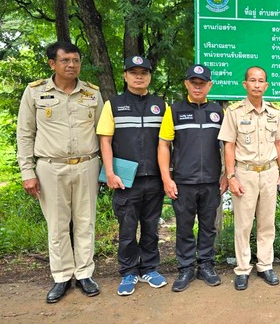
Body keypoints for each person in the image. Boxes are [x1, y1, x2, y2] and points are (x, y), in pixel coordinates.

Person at [17, 41, 104, 303]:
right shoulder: (35, 92)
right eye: (65, 60)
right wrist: (27, 172)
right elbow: (25, 133)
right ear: (52, 63)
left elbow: (103, 133)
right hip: (50, 167)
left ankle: (85, 273)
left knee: (85, 222)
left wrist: (106, 169)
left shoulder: (92, 93)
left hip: (87, 165)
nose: (71, 65)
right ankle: (62, 276)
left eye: (76, 60)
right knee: (57, 225)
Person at [97, 56, 168, 295]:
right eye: (134, 72)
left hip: (154, 178)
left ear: (150, 76)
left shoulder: (161, 105)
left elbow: (167, 143)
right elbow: (105, 141)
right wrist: (109, 173)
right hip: (125, 180)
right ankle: (128, 271)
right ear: (125, 76)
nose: (139, 77)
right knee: (127, 229)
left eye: (144, 72)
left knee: (151, 227)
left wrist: (167, 176)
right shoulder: (113, 105)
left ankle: (149, 268)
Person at [158, 64, 226, 292]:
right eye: (193, 83)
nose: (198, 87)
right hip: (183, 182)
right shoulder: (174, 110)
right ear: (187, 84)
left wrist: (227, 175)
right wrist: (167, 178)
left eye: (202, 83)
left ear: (209, 85)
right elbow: (164, 145)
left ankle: (206, 265)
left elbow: (227, 146)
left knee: (208, 227)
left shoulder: (218, 111)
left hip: (211, 181)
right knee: (184, 227)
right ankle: (186, 267)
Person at [218, 66, 280, 291]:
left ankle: (265, 265)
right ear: (245, 84)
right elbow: (228, 145)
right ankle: (243, 269)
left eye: (261, 81)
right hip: (244, 173)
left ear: (266, 85)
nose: (257, 84)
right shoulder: (234, 112)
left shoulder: (274, 112)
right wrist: (231, 176)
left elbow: (278, 143)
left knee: (267, 223)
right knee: (244, 224)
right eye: (253, 80)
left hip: (269, 172)